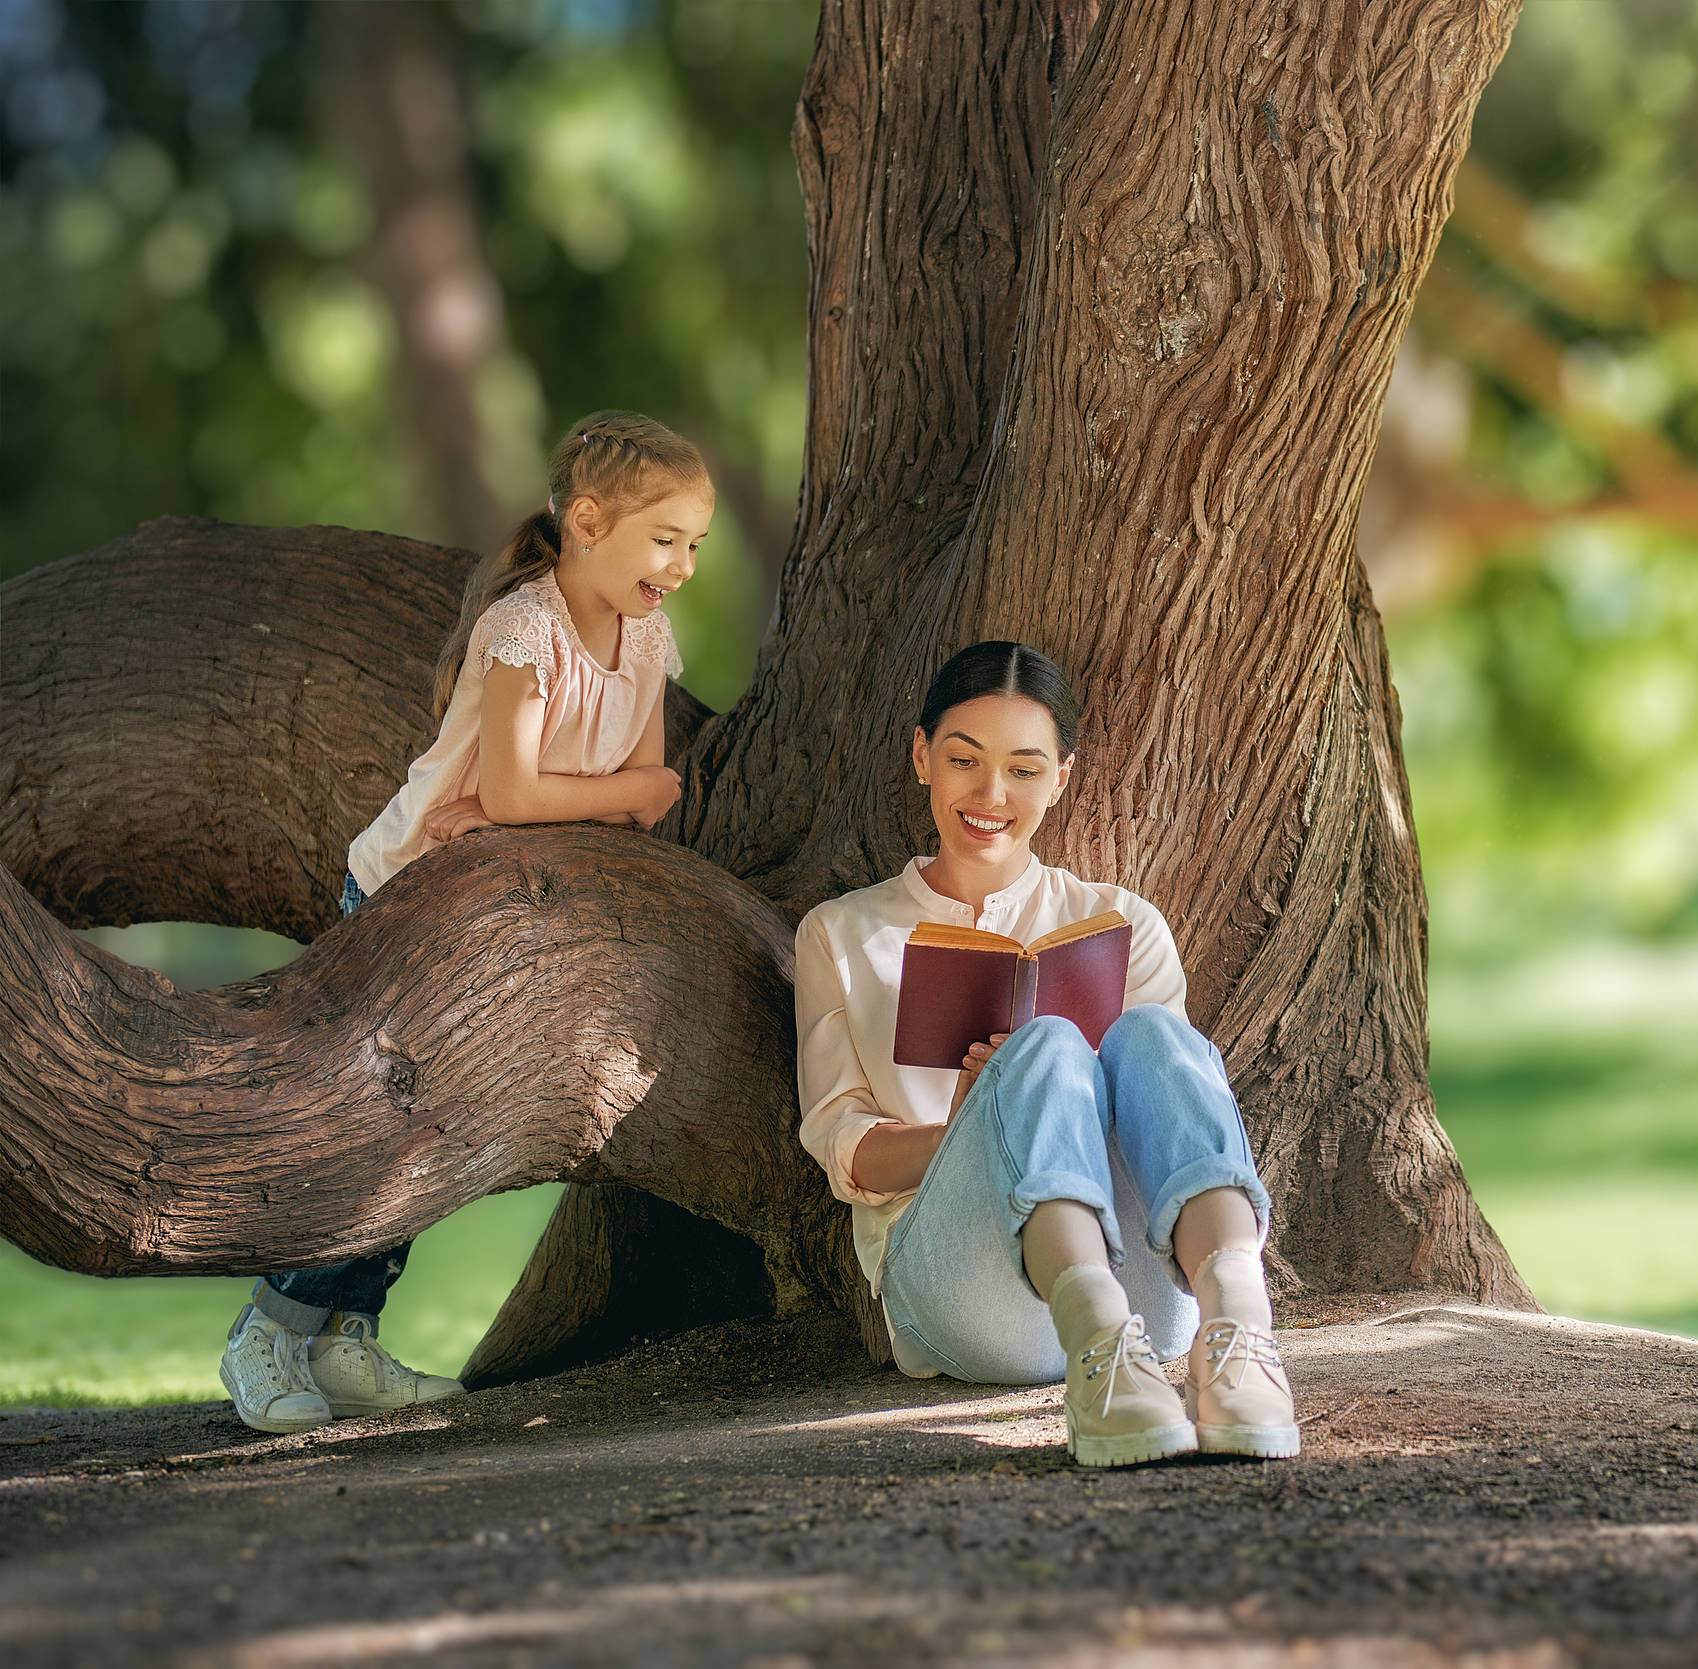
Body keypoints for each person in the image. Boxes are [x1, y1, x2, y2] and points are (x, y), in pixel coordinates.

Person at [218, 411, 711, 1434]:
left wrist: (607, 796)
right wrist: (619, 789)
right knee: (385, 1114)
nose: (685, 564)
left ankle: (347, 1331)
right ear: (586, 522)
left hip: (499, 901)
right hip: (413, 891)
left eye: (696, 543)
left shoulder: (647, 630)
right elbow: (539, 788)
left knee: (438, 1130)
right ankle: (267, 1327)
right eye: (666, 538)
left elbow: (622, 780)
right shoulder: (523, 632)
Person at [795, 641, 1298, 1467]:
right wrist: (964, 1127)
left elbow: (1172, 1117)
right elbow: (843, 1148)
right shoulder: (842, 934)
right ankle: (1097, 1356)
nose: (991, 795)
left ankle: (1239, 1331)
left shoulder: (1120, 922)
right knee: (1048, 1046)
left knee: (1154, 1037)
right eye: (964, 760)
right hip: (964, 1295)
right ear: (923, 756)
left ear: (1061, 777)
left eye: (1024, 770)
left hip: (1150, 1288)